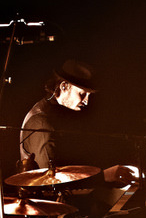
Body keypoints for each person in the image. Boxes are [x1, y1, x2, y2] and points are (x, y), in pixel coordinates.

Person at [19, 59, 139, 187]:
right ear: (64, 86)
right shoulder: (42, 123)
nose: (86, 101)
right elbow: (51, 181)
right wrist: (105, 176)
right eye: (82, 94)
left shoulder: (53, 112)